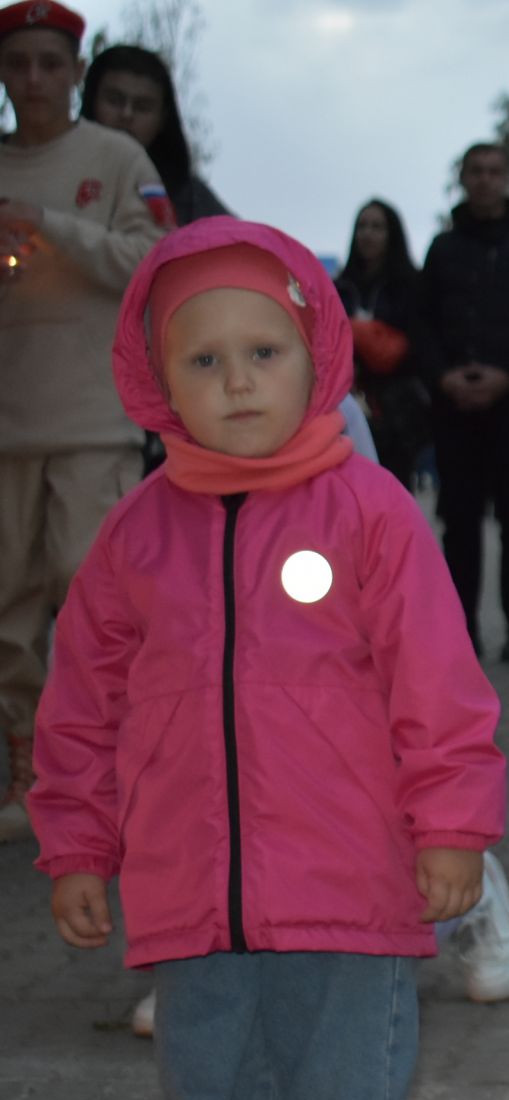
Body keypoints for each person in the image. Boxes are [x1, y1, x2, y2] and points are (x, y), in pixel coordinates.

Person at [27, 216, 509, 1100]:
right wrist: (75, 843)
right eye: (203, 360)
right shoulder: (137, 534)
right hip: (189, 904)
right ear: (157, 381)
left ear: (318, 358)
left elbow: (440, 689)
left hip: (349, 901)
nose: (238, 381)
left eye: (264, 352)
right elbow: (79, 706)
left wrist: (453, 827)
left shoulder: (368, 514)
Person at [0, 0, 173, 842]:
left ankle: (120, 771)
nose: (32, 79)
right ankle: (27, 777)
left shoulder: (114, 158)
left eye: (49, 62)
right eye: (18, 62)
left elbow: (157, 259)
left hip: (93, 423)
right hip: (8, 426)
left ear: (76, 70)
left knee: (97, 601)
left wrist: (52, 229)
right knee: (8, 615)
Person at [413, 141, 509, 662]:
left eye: (494, 171)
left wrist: (506, 375)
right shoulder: (442, 249)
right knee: (459, 522)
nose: (485, 180)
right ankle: (463, 629)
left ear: (507, 178)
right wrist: (444, 377)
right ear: (463, 178)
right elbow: (423, 324)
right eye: (476, 171)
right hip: (454, 409)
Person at [334, 199, 429, 491]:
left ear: (392, 234)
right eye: (362, 226)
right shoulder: (339, 287)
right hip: (348, 407)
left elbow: (420, 343)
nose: (368, 233)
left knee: (393, 491)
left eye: (377, 227)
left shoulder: (412, 287)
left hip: (398, 412)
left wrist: (364, 334)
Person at [80, 43, 227, 224]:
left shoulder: (190, 199)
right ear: (91, 101)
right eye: (114, 101)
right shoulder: (56, 164)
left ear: (162, 118)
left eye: (142, 107)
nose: (127, 114)